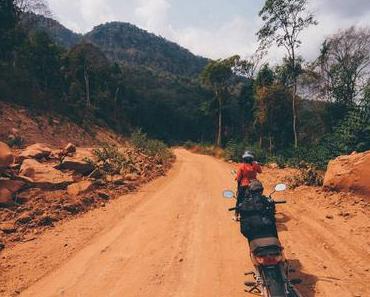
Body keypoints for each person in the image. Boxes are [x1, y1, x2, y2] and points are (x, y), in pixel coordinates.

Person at [234, 151, 262, 221]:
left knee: (239, 199)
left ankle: (236, 215)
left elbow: (238, 179)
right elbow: (260, 171)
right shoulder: (255, 165)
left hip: (244, 185)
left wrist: (238, 188)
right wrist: (257, 164)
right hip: (254, 185)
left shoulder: (242, 166)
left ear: (244, 159)